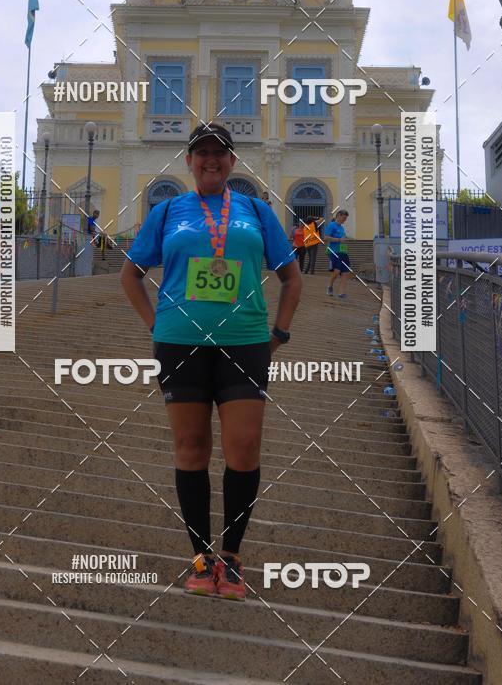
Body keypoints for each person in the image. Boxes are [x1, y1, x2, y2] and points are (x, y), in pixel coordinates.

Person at [121, 123, 301, 600]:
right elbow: (130, 274)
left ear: (232, 161)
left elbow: (292, 277)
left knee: (243, 448)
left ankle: (233, 557)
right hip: (181, 345)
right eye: (201, 153)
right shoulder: (167, 211)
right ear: (189, 161)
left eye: (219, 153)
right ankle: (201, 557)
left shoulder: (257, 211)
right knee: (192, 448)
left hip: (244, 344)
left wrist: (278, 334)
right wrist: (155, 325)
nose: (210, 160)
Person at [323, 209, 352, 298]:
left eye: (346, 218)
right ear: (338, 215)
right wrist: (339, 240)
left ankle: (341, 293)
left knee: (346, 272)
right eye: (344, 218)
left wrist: (345, 238)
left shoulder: (341, 227)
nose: (344, 220)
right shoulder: (332, 225)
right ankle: (329, 286)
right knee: (337, 271)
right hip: (334, 251)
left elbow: (342, 237)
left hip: (343, 251)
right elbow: (326, 238)